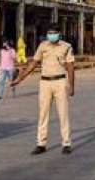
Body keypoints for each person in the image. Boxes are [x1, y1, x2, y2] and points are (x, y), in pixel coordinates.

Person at [11, 24, 75, 155]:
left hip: (60, 81)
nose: (51, 35)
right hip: (45, 82)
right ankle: (41, 143)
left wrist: (72, 85)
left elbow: (70, 67)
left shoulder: (66, 47)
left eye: (54, 33)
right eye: (49, 33)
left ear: (59, 33)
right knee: (43, 114)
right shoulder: (42, 46)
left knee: (63, 113)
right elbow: (33, 63)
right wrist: (20, 78)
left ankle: (66, 143)